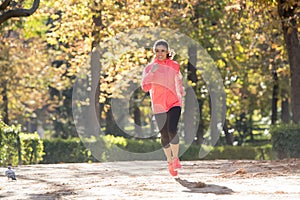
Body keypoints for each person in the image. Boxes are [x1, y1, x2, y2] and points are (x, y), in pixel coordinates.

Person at [141, 39, 185, 176]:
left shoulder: (174, 65)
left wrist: (181, 93)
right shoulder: (149, 68)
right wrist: (152, 73)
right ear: (154, 52)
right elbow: (145, 87)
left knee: (172, 130)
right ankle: (169, 161)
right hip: (159, 105)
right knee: (164, 135)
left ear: (167, 52)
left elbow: (178, 80)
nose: (160, 53)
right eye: (157, 51)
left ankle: (176, 158)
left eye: (163, 51)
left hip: (174, 103)